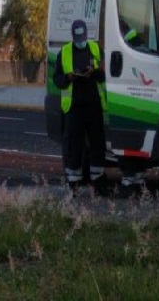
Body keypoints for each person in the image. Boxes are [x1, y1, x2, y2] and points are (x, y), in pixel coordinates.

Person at [52, 19, 111, 197]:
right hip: (73, 108)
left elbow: (104, 74)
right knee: (73, 146)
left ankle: (98, 181)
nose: (81, 41)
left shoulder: (95, 48)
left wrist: (94, 72)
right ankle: (73, 183)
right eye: (78, 39)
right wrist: (69, 78)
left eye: (83, 38)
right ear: (73, 37)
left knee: (97, 144)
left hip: (94, 105)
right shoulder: (65, 52)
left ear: (86, 34)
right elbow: (57, 79)